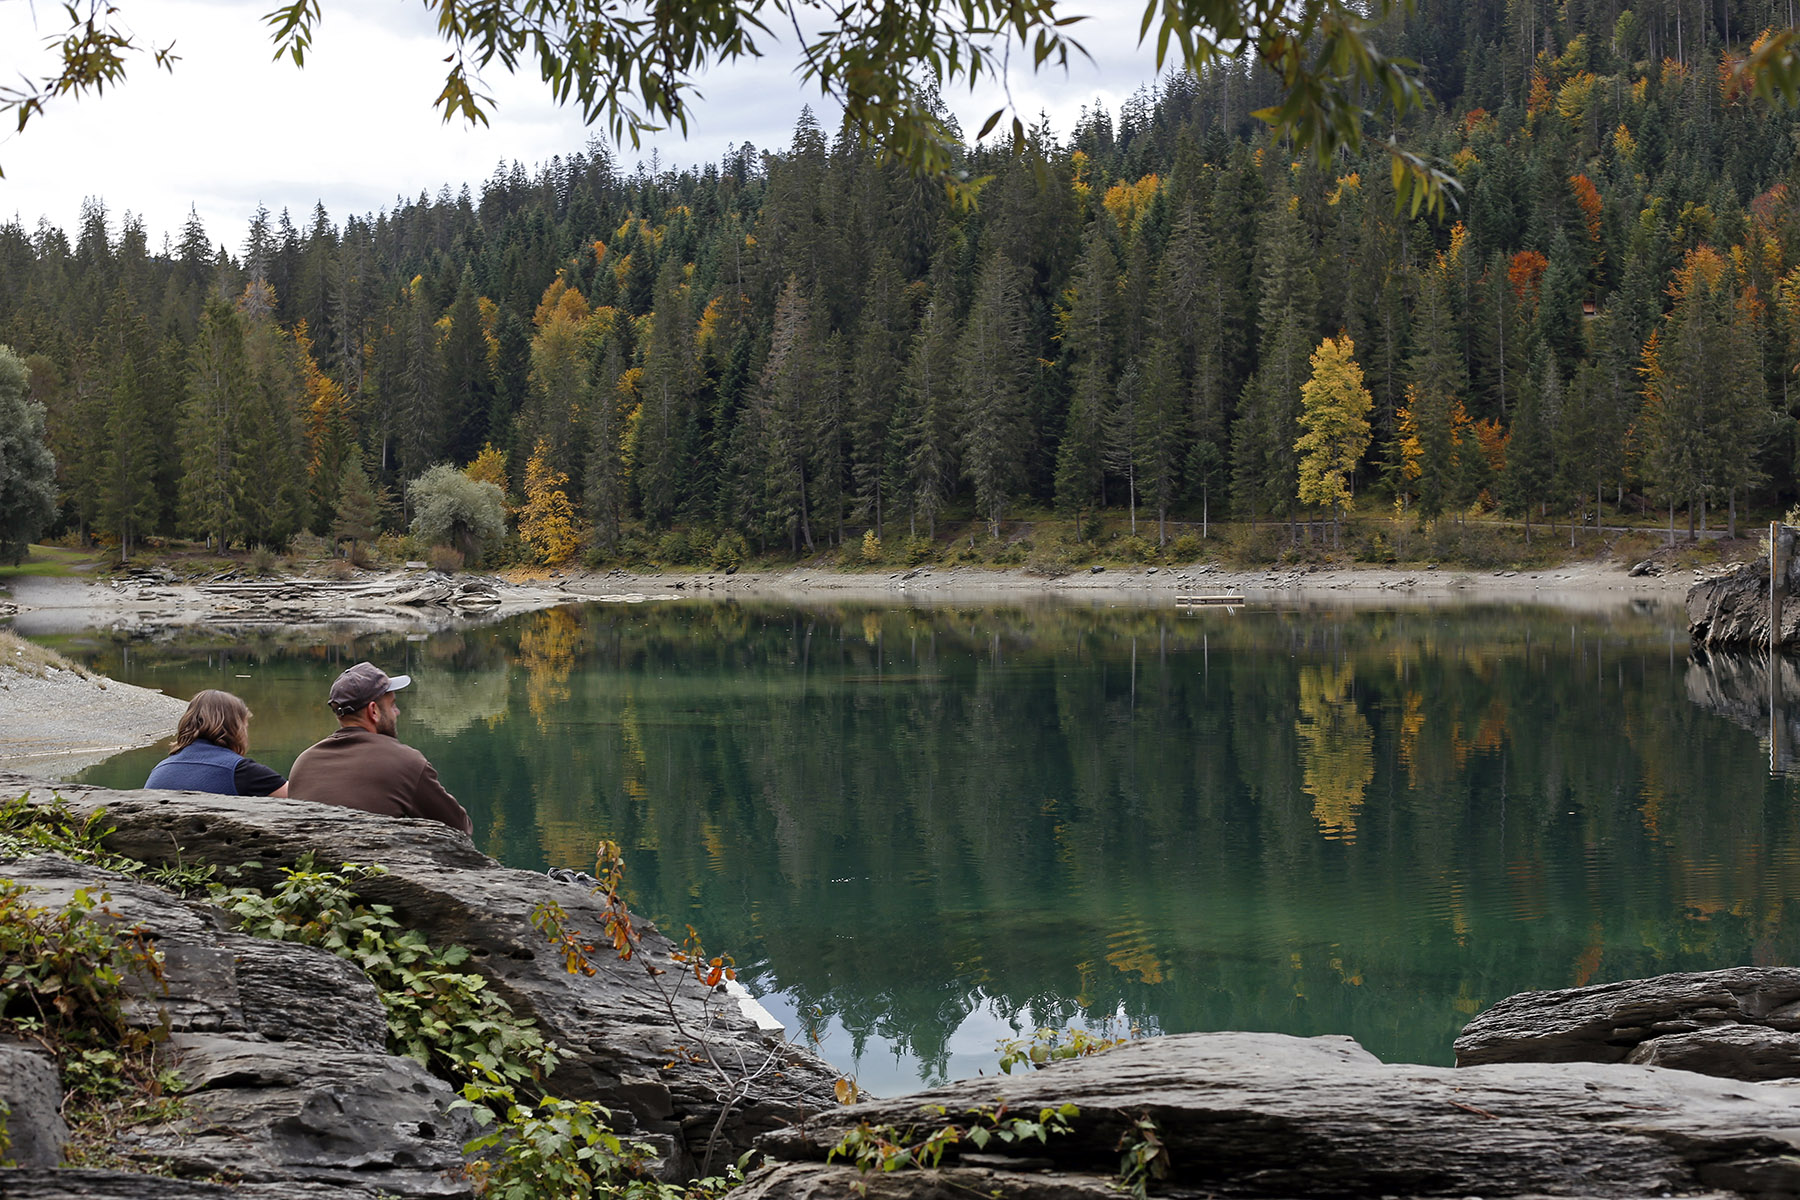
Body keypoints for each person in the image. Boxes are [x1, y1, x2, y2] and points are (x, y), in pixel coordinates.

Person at [287, 661, 472, 833]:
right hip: (371, 867)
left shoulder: (303, 762)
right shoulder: (405, 762)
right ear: (373, 711)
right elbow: (460, 828)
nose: (397, 712)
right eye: (392, 705)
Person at [145, 690, 289, 797]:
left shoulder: (160, 768)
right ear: (235, 728)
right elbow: (301, 797)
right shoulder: (241, 771)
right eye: (245, 726)